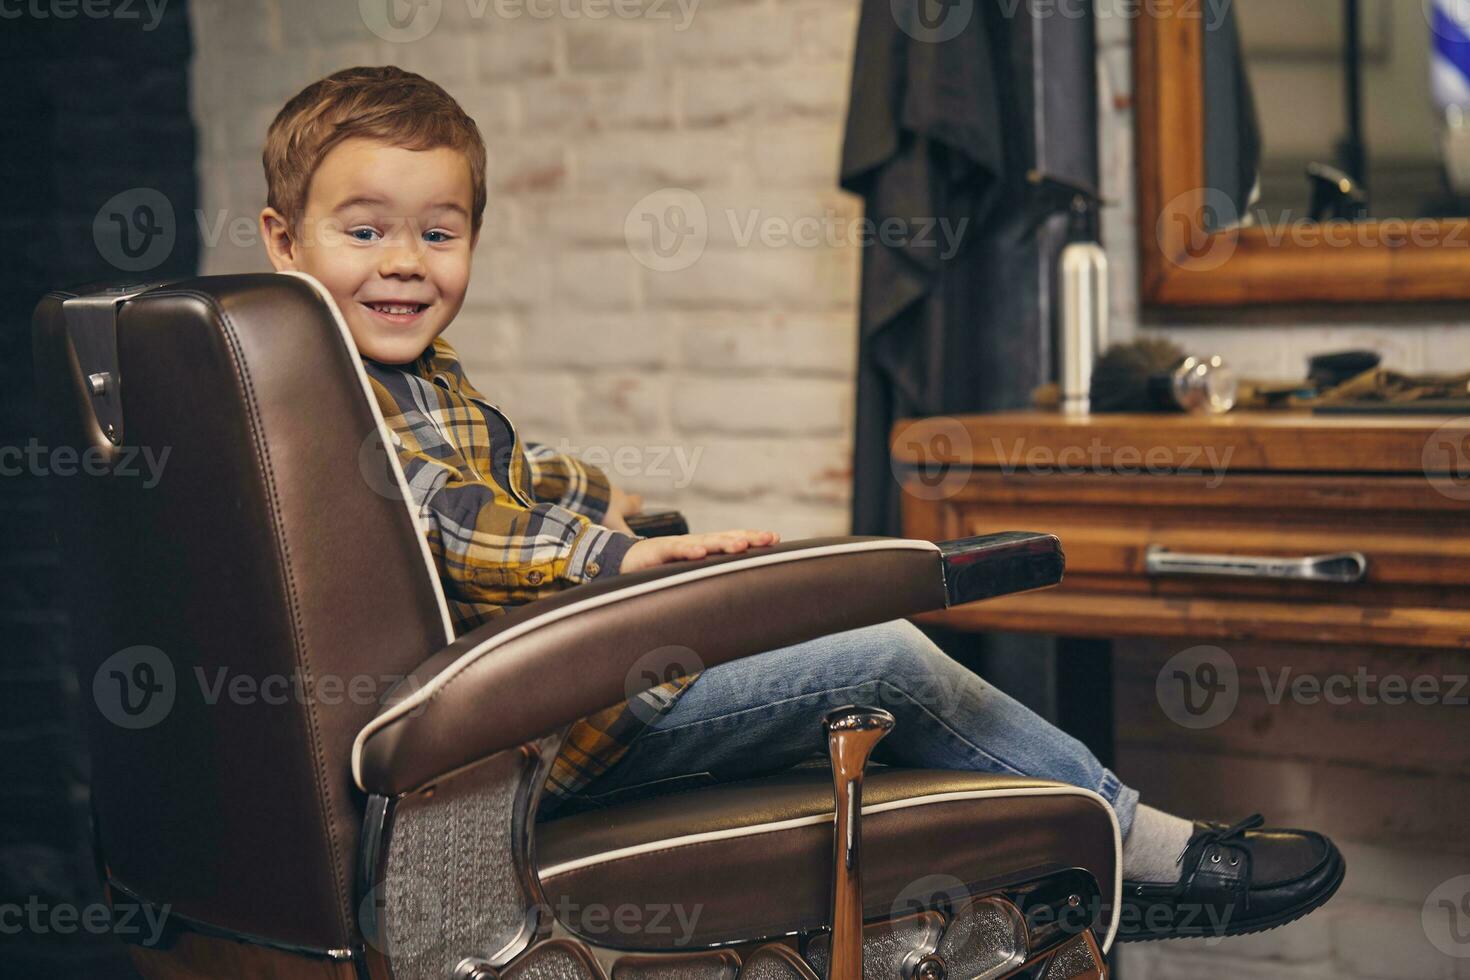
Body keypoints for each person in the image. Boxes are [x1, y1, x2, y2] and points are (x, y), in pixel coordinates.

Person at [256, 65, 1343, 942]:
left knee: (818, 643)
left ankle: (1043, 870)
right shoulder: (335, 402)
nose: (404, 263)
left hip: (528, 711)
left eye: (438, 234)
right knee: (882, 654)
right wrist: (612, 559)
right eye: (365, 231)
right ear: (281, 238)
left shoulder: (398, 377)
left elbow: (509, 470)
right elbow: (447, 513)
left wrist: (620, 505)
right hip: (527, 738)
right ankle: (1135, 848)